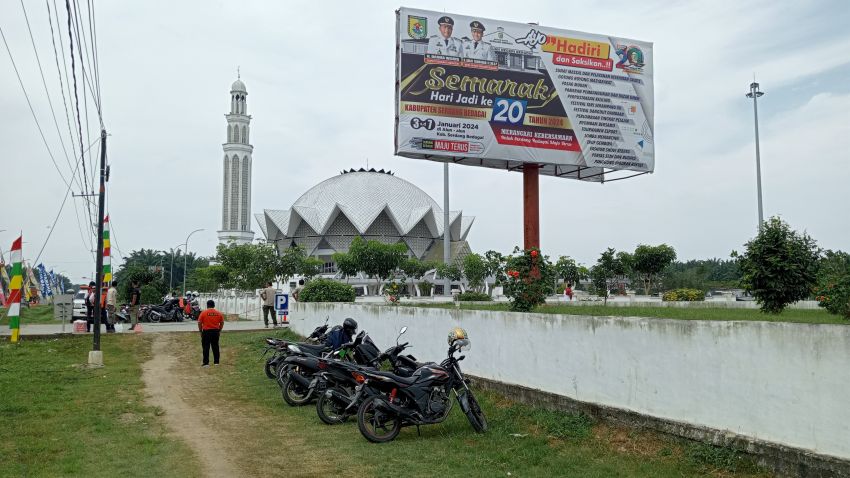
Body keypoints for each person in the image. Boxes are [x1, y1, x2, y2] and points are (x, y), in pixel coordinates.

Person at [197, 299, 224, 367]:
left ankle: (206, 363)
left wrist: (200, 331)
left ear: (207, 305)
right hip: (215, 331)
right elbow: (222, 322)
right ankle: (216, 362)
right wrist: (219, 330)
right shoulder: (219, 313)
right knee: (215, 346)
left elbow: (199, 323)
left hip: (206, 332)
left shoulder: (203, 313)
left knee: (206, 347)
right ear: (214, 305)